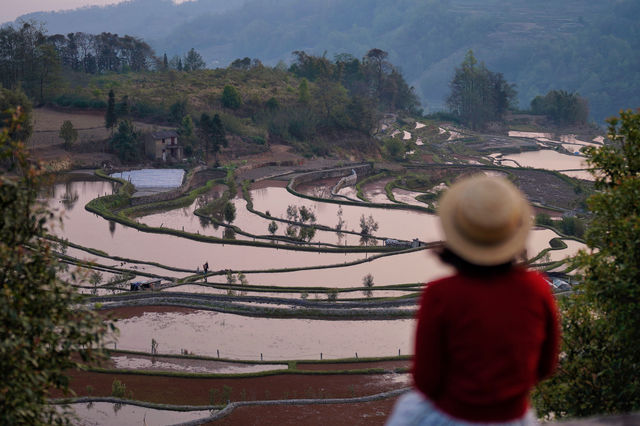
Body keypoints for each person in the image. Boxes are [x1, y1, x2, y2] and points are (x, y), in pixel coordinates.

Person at [387, 175, 560, 425]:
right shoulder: (537, 289)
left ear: (457, 233)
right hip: (514, 419)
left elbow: (426, 381)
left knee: (407, 407)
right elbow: (545, 368)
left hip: (453, 417)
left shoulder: (440, 294)